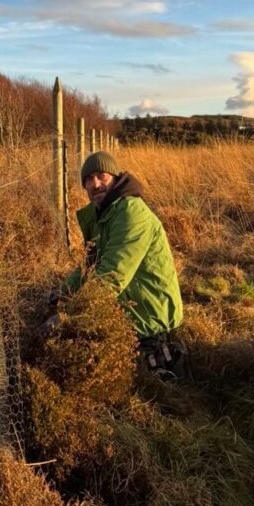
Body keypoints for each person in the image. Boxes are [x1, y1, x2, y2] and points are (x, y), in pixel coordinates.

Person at [56, 150, 184, 382]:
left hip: (147, 319)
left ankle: (162, 362)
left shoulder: (131, 213)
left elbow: (112, 275)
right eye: (88, 179)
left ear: (115, 178)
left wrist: (70, 315)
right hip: (126, 311)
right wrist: (59, 296)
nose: (95, 184)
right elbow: (90, 266)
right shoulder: (105, 215)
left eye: (101, 176)